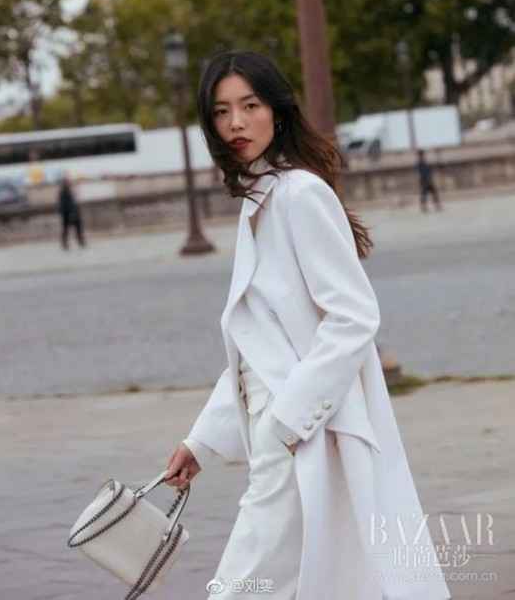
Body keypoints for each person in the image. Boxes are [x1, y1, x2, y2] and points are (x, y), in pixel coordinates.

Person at [164, 51, 451, 600]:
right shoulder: (262, 199)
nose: (236, 123)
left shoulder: (299, 194)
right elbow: (257, 348)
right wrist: (201, 441)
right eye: (221, 111)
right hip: (285, 435)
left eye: (250, 106)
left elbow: (354, 315)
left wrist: (289, 422)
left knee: (243, 587)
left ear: (277, 111)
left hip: (298, 434)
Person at [57, 176, 86, 250]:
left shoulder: (69, 191)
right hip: (67, 213)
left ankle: (80, 241)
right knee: (66, 229)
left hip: (72, 213)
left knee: (77, 228)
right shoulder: (63, 192)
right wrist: (70, 212)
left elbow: (73, 203)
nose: (69, 183)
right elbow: (64, 204)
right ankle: (66, 243)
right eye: (68, 182)